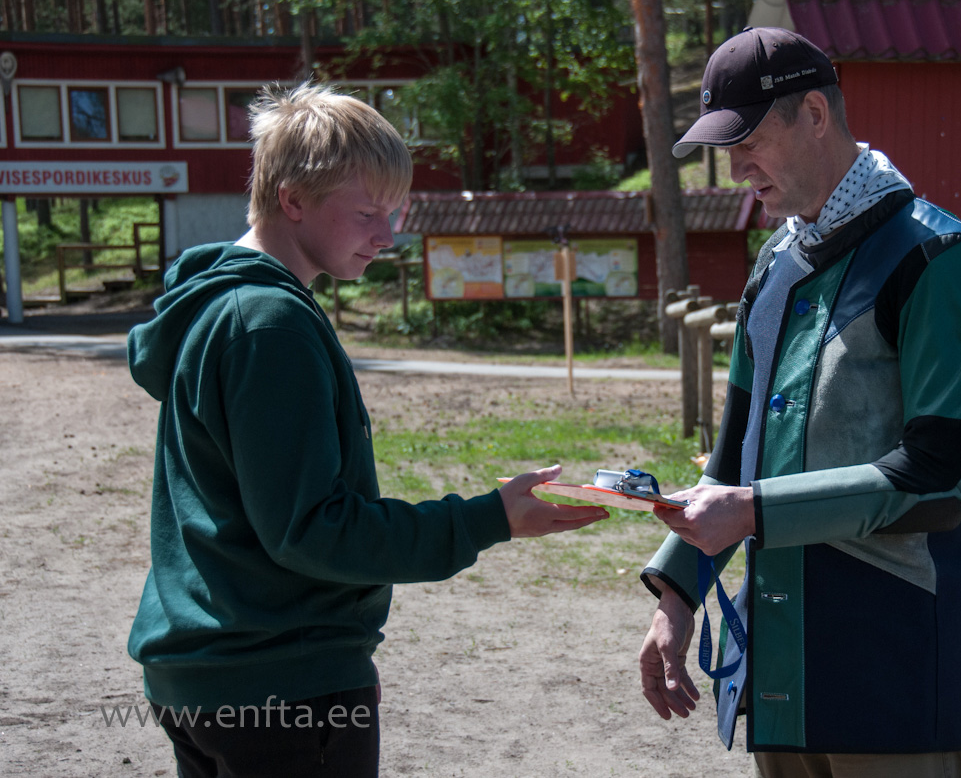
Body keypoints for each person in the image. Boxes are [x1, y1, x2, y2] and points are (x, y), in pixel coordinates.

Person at [125, 82, 607, 778]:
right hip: (279, 682)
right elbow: (310, 528)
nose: (388, 236)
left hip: (218, 673)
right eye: (367, 213)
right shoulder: (268, 323)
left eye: (394, 212)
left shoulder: (219, 309)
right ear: (292, 199)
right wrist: (485, 519)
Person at [638, 28, 961, 778]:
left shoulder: (939, 258)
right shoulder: (777, 259)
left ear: (814, 113)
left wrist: (755, 511)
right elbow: (735, 448)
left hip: (892, 676)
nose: (737, 170)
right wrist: (676, 594)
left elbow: (938, 478)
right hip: (782, 679)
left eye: (747, 141)